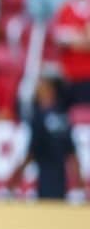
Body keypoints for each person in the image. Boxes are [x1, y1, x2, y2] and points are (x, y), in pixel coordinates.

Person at [10, 69, 84, 200]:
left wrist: (17, 175)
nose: (37, 90)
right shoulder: (62, 116)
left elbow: (32, 150)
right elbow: (71, 152)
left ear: (49, 90)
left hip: (46, 177)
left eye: (40, 86)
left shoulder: (39, 117)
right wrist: (79, 180)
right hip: (60, 179)